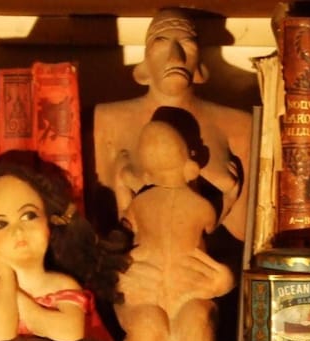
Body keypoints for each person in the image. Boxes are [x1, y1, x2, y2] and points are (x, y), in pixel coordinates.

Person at [0, 150, 127, 341]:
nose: (18, 231)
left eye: (29, 216)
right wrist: (6, 277)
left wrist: (20, 302)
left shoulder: (63, 286)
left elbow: (69, 332)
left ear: (49, 222)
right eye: (0, 224)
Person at [92, 8, 252, 243]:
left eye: (187, 45)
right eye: (161, 43)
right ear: (145, 62)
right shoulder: (106, 119)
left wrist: (228, 196)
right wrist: (122, 180)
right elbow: (104, 228)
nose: (175, 58)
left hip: (204, 258)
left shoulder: (239, 124)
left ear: (200, 62)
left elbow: (245, 234)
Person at [116, 118, 235, 341]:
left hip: (175, 290)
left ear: (147, 174)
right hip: (166, 289)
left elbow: (124, 219)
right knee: (181, 326)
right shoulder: (201, 206)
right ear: (190, 165)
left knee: (186, 326)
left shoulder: (139, 204)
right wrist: (230, 196)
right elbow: (213, 223)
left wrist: (121, 181)